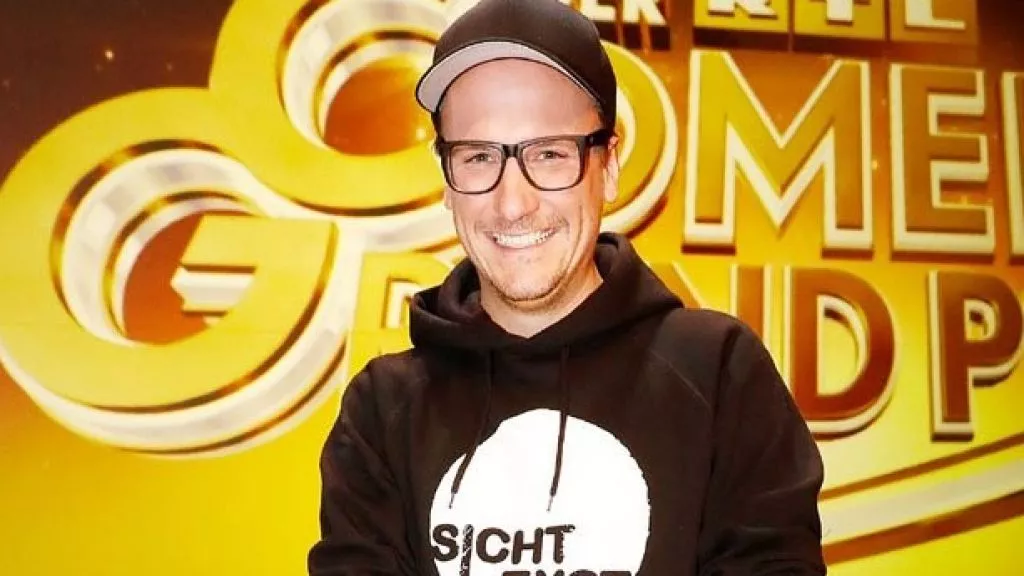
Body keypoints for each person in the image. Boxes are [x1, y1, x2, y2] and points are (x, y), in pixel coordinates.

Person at [308, 0, 826, 574]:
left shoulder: (719, 374)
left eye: (549, 154)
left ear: (608, 165)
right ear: (447, 183)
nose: (512, 203)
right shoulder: (382, 411)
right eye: (479, 157)